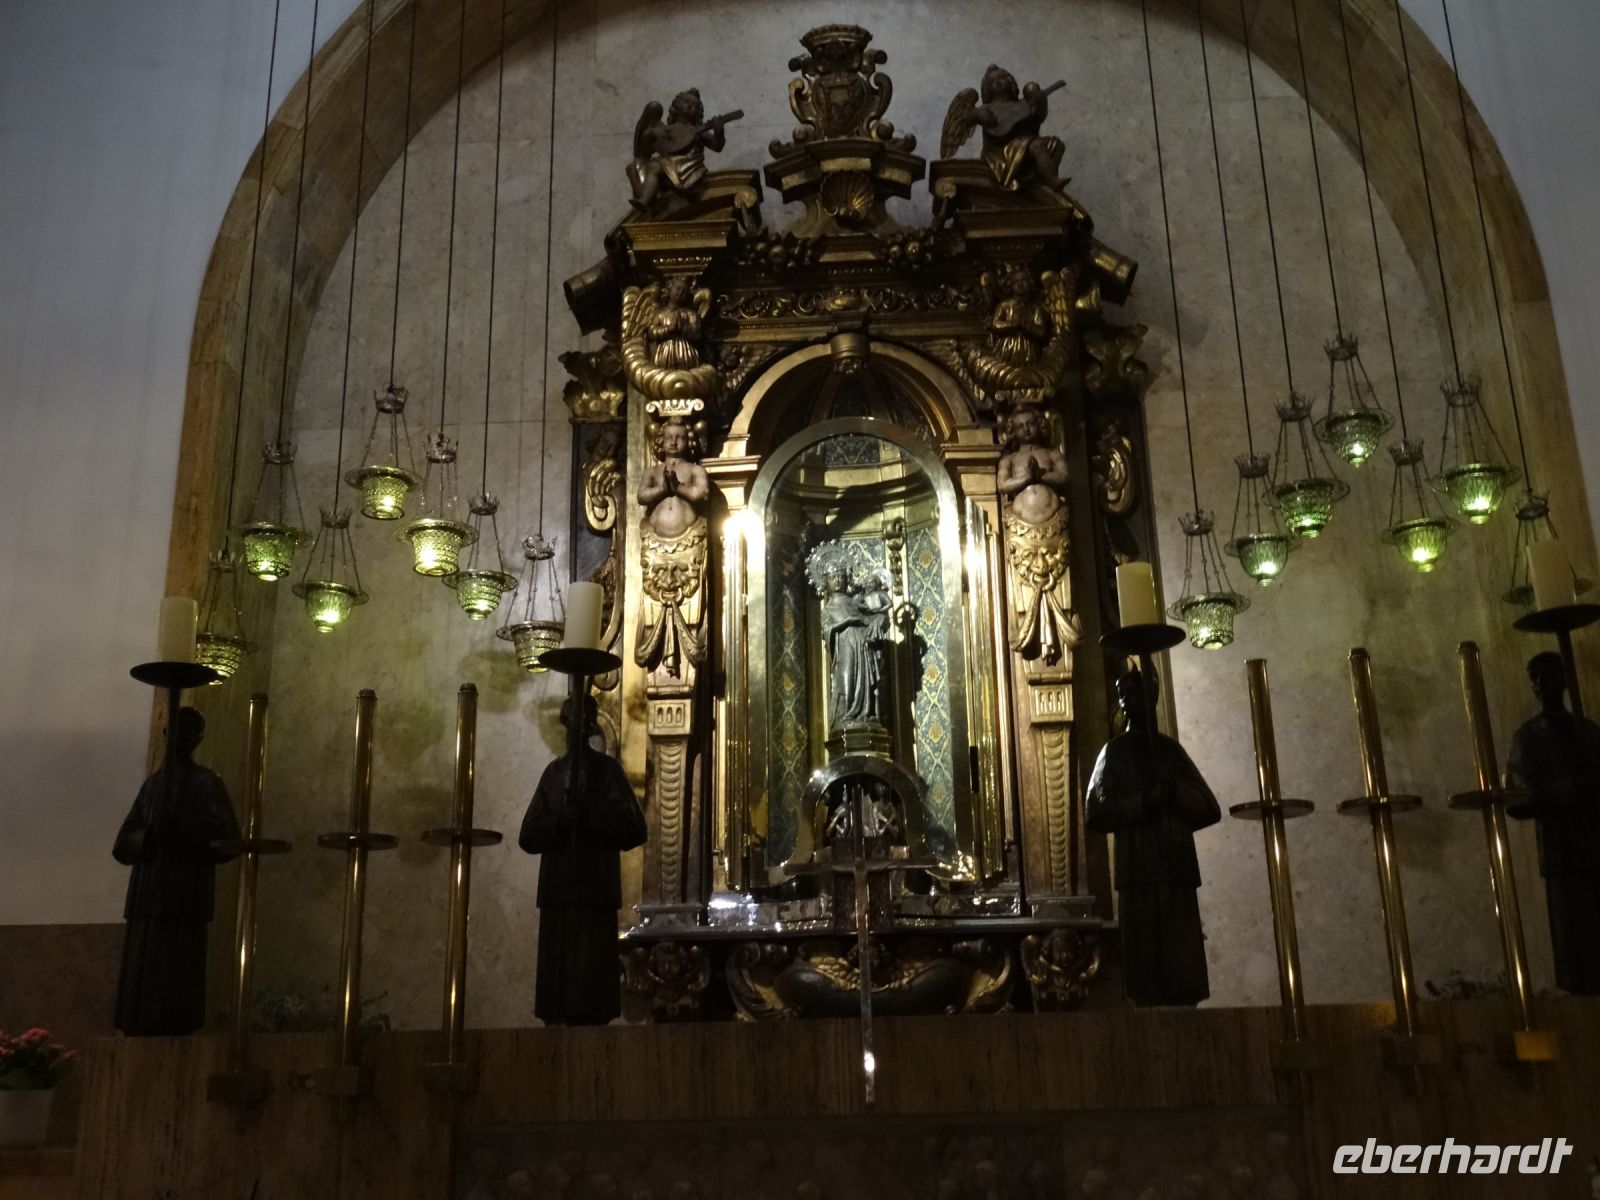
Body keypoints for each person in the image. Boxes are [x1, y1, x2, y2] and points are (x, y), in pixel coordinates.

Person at [1084, 666, 1220, 1006]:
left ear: (1153, 697)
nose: (1132, 702)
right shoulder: (1115, 752)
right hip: (1139, 867)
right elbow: (1098, 811)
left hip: (1175, 863)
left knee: (1180, 966)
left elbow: (1208, 807)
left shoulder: (1169, 751)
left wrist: (1175, 793)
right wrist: (1145, 800)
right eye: (1125, 695)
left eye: (1139, 694)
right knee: (1145, 970)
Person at [519, 696, 648, 1025]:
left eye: (587, 716)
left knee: (590, 997)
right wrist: (561, 820)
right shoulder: (553, 773)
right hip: (558, 896)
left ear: (592, 724)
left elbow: (634, 829)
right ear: (565, 721)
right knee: (557, 997)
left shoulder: (607, 771)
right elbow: (529, 834)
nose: (581, 723)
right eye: (576, 715)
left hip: (594, 895)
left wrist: (591, 813)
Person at [111, 706, 240, 1035]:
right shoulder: (152, 786)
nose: (180, 738)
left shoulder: (207, 783)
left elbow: (227, 840)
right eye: (175, 730)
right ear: (166, 735)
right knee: (142, 972)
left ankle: (173, 1024)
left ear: (197, 739)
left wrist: (180, 825)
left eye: (189, 732)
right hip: (148, 892)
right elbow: (124, 842)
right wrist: (149, 834)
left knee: (176, 976)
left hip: (184, 895)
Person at [1506, 651, 1600, 994]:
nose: (1546, 683)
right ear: (1533, 685)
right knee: (1572, 939)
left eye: (1553, 674)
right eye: (1538, 677)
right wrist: (1574, 788)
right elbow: (1518, 798)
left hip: (1593, 841)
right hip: (1561, 849)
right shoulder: (1528, 737)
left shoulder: (1588, 732)